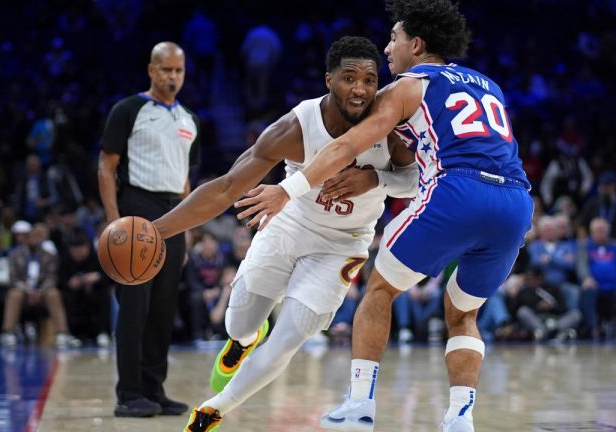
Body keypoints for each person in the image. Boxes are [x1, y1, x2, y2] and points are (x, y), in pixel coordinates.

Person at [234, 1, 534, 431]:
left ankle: (359, 405)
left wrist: (289, 188)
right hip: (516, 201)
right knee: (464, 314)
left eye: (394, 38)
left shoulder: (406, 87)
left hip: (459, 190)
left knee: (379, 290)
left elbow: (346, 146)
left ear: (417, 44)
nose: (388, 48)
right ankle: (460, 418)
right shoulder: (489, 85)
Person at [150, 36, 418, 431]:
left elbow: (413, 180)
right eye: (349, 78)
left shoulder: (388, 125)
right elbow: (226, 188)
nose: (360, 89)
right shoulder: (296, 127)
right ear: (329, 80)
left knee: (289, 338)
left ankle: (213, 409)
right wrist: (157, 230)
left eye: (369, 80)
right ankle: (243, 340)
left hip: (343, 243)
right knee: (239, 324)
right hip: (289, 223)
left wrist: (374, 179)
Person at [97, 41, 200, 418]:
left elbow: (186, 180)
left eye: (178, 70)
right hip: (137, 209)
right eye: (166, 69)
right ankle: (128, 393)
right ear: (151, 70)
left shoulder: (189, 119)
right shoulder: (128, 110)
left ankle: (154, 389)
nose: (173, 76)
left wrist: (188, 227)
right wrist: (114, 221)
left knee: (163, 307)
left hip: (176, 212)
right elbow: (106, 166)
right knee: (134, 307)